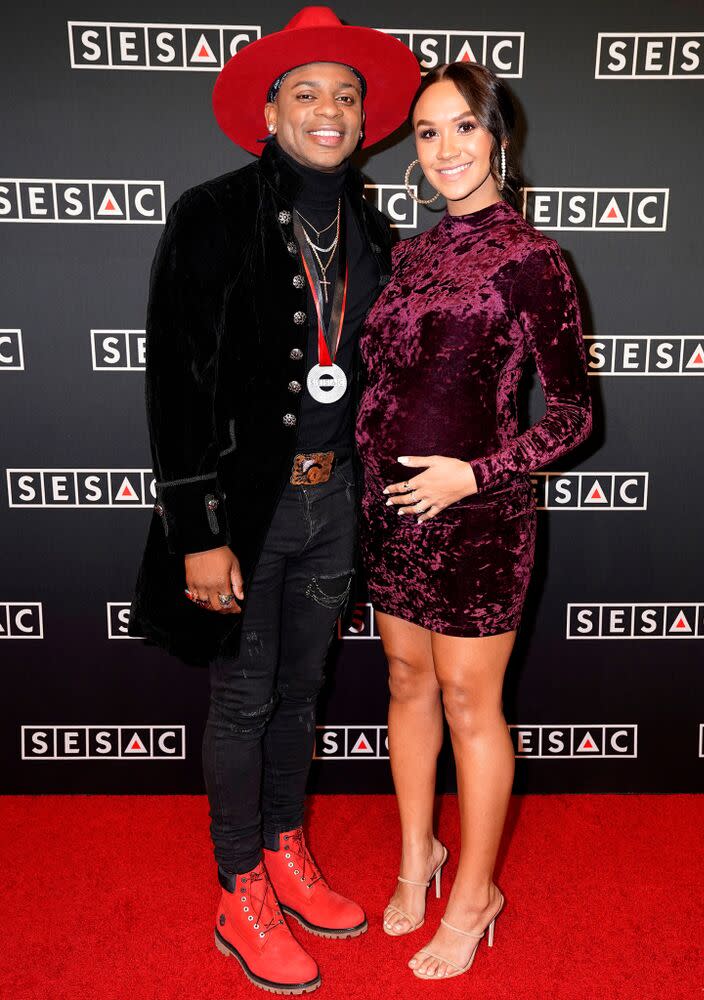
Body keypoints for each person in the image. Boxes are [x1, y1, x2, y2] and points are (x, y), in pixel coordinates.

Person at [128, 7, 420, 994]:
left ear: (363, 117)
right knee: (245, 696)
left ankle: (287, 847)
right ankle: (238, 883)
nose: (328, 111)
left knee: (303, 692)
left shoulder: (373, 224)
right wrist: (197, 532)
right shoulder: (211, 215)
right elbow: (176, 379)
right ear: (270, 111)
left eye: (345, 94)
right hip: (245, 516)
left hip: (336, 505)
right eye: (307, 94)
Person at [355, 62, 593, 980]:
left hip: (478, 520)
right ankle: (419, 855)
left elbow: (573, 416)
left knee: (467, 700)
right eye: (426, 133)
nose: (445, 149)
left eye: (463, 128)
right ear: (411, 152)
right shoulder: (408, 256)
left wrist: (475, 474)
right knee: (406, 682)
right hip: (388, 514)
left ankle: (473, 895)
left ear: (498, 137)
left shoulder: (533, 259)